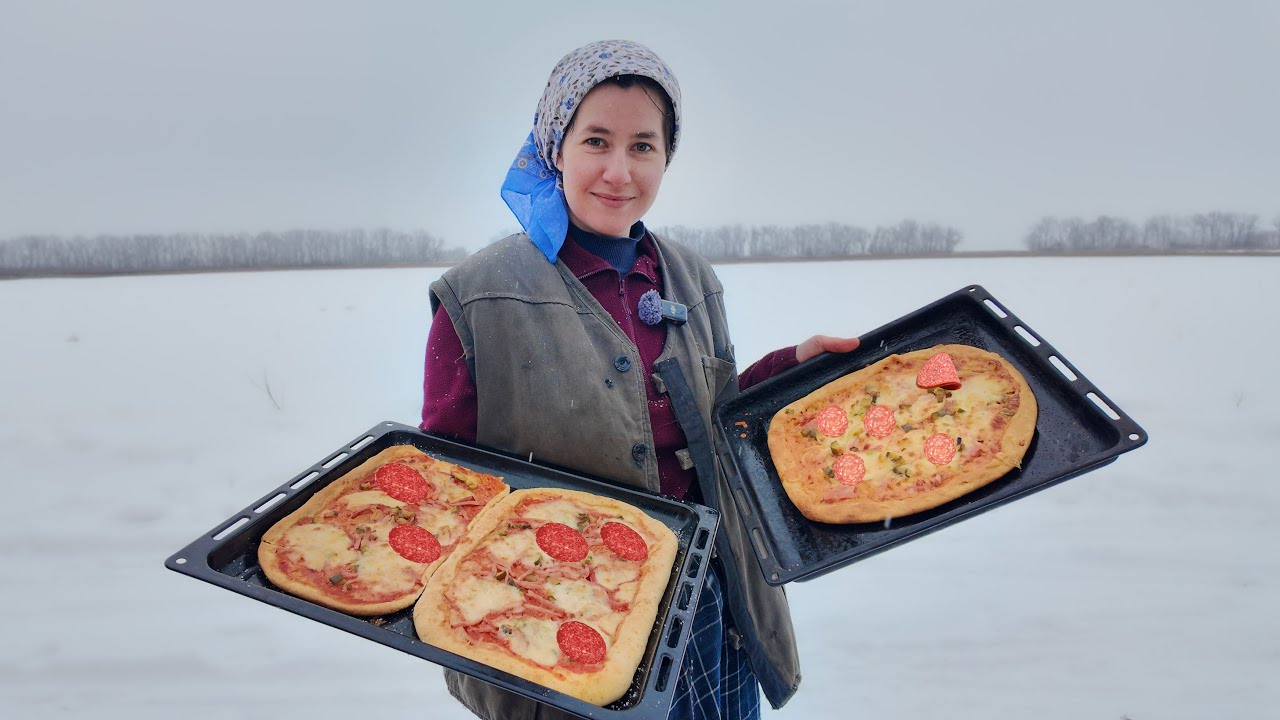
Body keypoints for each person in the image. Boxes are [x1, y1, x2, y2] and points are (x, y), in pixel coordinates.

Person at [419, 39, 859, 720]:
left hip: (712, 603)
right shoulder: (479, 298)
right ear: (555, 148)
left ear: (666, 157)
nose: (619, 171)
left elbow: (716, 419)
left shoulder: (691, 278)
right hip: (559, 625)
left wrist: (789, 369)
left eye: (643, 146)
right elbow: (445, 484)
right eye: (596, 141)